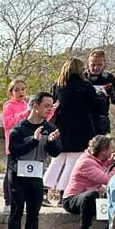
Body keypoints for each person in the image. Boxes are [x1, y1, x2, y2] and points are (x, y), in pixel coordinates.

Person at [6, 92, 62, 229]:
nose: (49, 109)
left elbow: (56, 152)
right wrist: (34, 140)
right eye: (46, 105)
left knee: (33, 213)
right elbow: (15, 150)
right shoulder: (20, 128)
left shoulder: (50, 128)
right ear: (35, 106)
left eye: (51, 106)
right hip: (18, 176)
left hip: (36, 177)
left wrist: (52, 142)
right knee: (16, 212)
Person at [44, 57, 100, 201]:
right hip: (81, 130)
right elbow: (96, 106)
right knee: (72, 163)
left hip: (61, 128)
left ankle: (44, 188)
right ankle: (64, 192)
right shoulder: (86, 86)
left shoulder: (57, 86)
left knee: (56, 160)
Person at [62, 135, 115, 229]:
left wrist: (112, 160)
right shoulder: (86, 162)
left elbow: (100, 165)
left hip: (87, 197)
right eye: (111, 149)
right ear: (103, 150)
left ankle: (110, 228)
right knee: (91, 195)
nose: (113, 151)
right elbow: (107, 179)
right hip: (72, 200)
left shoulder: (94, 159)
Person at [1, 78, 30, 209]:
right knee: (10, 174)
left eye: (23, 89)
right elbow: (7, 124)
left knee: (23, 176)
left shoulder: (27, 105)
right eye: (17, 90)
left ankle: (20, 202)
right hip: (13, 146)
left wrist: (50, 110)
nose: (20, 92)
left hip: (27, 146)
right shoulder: (9, 106)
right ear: (11, 92)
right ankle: (7, 201)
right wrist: (24, 114)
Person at [85, 49, 115, 135]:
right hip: (86, 119)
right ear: (88, 64)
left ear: (104, 64)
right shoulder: (83, 77)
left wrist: (112, 93)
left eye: (99, 65)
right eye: (93, 65)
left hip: (102, 119)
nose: (96, 68)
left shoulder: (109, 78)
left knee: (104, 146)